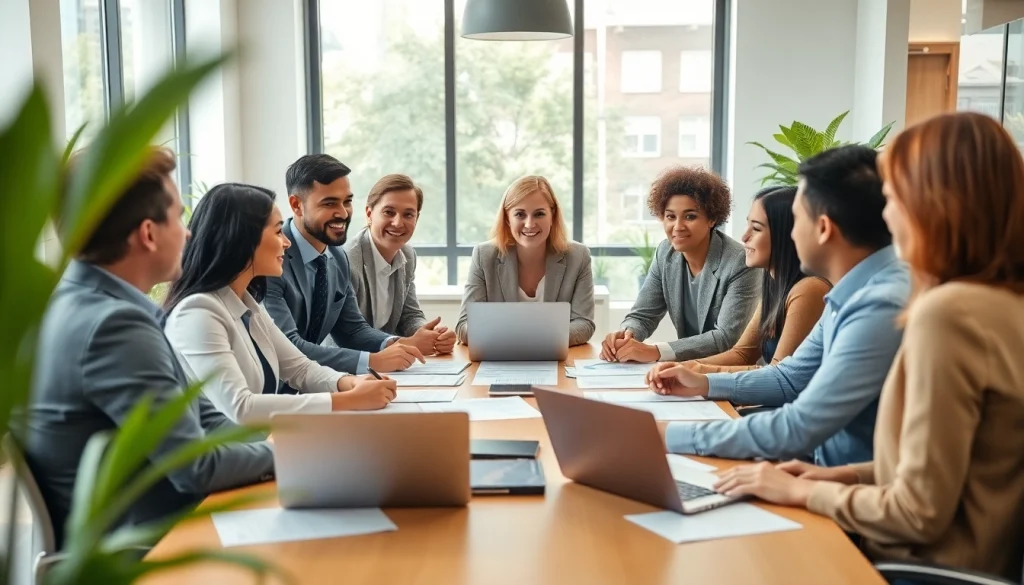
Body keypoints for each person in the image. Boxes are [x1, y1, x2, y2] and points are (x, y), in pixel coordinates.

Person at [710, 112, 1024, 581]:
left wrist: (804, 493)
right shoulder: (1001, 300)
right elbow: (956, 467)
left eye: (893, 199)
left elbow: (919, 512)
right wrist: (845, 476)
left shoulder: (948, 313)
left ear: (931, 205)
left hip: (910, 567)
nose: (886, 215)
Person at [21, 147, 274, 547]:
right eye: (177, 217)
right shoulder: (112, 325)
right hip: (149, 548)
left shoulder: (88, 301)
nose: (188, 232)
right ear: (148, 233)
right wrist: (293, 459)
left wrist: (283, 443)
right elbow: (194, 466)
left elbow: (205, 419)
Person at [647, 145, 909, 467]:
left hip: (830, 477)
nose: (791, 233)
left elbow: (799, 426)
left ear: (823, 228)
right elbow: (788, 378)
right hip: (819, 469)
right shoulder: (851, 292)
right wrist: (703, 382)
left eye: (796, 219)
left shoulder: (878, 304)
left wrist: (666, 436)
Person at [163, 183, 397, 424]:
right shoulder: (198, 313)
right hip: (223, 456)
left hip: (257, 446)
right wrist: (347, 400)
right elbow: (240, 408)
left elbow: (300, 368)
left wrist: (349, 383)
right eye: (277, 232)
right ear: (243, 239)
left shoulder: (247, 304)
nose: (286, 242)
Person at [263, 154, 439, 376]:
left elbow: (352, 329)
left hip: (317, 383)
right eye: (329, 203)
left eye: (347, 201)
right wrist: (373, 361)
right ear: (297, 205)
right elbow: (288, 347)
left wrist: (395, 344)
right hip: (277, 391)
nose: (343, 213)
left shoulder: (336, 256)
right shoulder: (271, 257)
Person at [601, 166, 759, 363]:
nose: (677, 227)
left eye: (690, 216)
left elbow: (726, 338)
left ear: (711, 219)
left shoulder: (740, 263)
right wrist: (626, 335)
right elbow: (643, 315)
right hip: (687, 371)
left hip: (729, 372)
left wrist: (655, 351)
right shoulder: (665, 254)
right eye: (670, 216)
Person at [683, 186, 831, 373]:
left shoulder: (810, 289)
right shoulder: (774, 283)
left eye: (756, 228)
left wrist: (699, 372)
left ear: (786, 235)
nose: (744, 237)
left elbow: (779, 374)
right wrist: (684, 367)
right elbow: (742, 354)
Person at [456, 175, 595, 346]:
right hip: (501, 362)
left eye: (539, 214)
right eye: (520, 214)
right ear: (507, 218)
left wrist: (527, 339)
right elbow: (464, 325)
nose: (529, 224)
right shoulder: (484, 255)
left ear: (552, 216)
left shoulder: (578, 256)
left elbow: (584, 324)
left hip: (553, 361)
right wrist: (523, 339)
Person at [345, 173, 455, 353]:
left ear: (416, 219)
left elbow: (409, 315)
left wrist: (431, 334)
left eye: (408, 214)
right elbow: (350, 333)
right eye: (389, 212)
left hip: (390, 364)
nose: (397, 223)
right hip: (350, 367)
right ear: (369, 213)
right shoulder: (348, 261)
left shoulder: (408, 255)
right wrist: (405, 344)